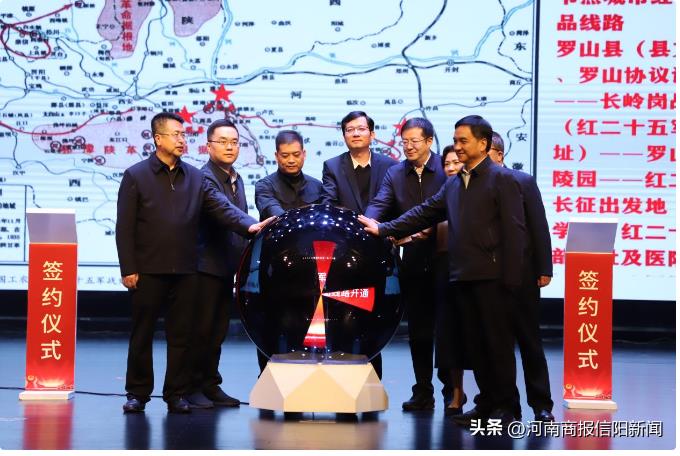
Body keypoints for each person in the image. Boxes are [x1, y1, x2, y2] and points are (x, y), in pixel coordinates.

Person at [359, 115, 526, 426]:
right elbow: (425, 213)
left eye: (463, 141)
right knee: (476, 344)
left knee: (497, 345)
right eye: (455, 140)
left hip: (494, 278)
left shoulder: (502, 179)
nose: (457, 147)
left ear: (483, 144)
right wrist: (383, 229)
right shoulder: (456, 181)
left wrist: (513, 279)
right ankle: (486, 404)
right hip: (463, 275)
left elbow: (515, 232)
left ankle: (507, 407)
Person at [116, 112, 269, 414]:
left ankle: (175, 394)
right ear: (158, 138)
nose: (182, 140)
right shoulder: (137, 175)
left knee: (182, 336)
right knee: (143, 333)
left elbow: (220, 207)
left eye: (184, 135)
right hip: (148, 268)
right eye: (175, 134)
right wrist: (128, 268)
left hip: (186, 268)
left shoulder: (195, 177)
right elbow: (125, 226)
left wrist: (250, 225)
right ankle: (137, 393)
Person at [364, 117, 451, 411]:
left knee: (447, 330)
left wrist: (430, 229)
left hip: (446, 261)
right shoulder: (395, 173)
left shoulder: (446, 169)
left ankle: (451, 391)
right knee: (419, 331)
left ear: (429, 141)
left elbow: (447, 210)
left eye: (415, 141)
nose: (409, 147)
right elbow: (380, 203)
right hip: (413, 261)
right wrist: (369, 222)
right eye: (405, 142)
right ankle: (423, 390)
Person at [320, 110, 397, 379]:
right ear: (344, 135)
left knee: (374, 320)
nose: (355, 133)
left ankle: (372, 383)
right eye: (349, 129)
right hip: (345, 256)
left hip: (380, 253)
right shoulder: (332, 166)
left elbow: (395, 205)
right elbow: (328, 204)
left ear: (372, 134)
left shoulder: (390, 165)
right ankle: (343, 381)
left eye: (361, 129)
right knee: (344, 318)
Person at [489, 131, 554, 422]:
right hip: (488, 276)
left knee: (529, 340)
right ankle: (507, 406)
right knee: (498, 345)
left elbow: (539, 226)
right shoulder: (469, 184)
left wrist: (544, 268)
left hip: (523, 274)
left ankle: (541, 404)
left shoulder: (523, 181)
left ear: (498, 154)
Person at [185, 119, 249, 409]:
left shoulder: (237, 178)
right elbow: (226, 213)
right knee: (200, 330)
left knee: (217, 331)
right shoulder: (204, 178)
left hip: (226, 267)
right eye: (222, 142)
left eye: (234, 142)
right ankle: (192, 387)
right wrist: (254, 226)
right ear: (208, 146)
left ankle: (211, 385)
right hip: (205, 267)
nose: (229, 147)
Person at [254, 129, 323, 370]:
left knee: (310, 326)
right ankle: (268, 379)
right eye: (285, 155)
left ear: (304, 154)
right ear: (276, 156)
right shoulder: (264, 185)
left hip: (311, 271)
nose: (291, 160)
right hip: (276, 270)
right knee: (273, 326)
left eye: (295, 154)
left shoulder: (318, 187)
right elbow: (273, 212)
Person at [434, 146, 467, 417]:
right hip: (445, 270)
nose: (451, 167)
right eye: (447, 163)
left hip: (473, 270)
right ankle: (456, 392)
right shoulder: (443, 193)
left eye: (456, 162)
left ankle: (489, 396)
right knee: (449, 336)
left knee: (475, 336)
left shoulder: (477, 190)